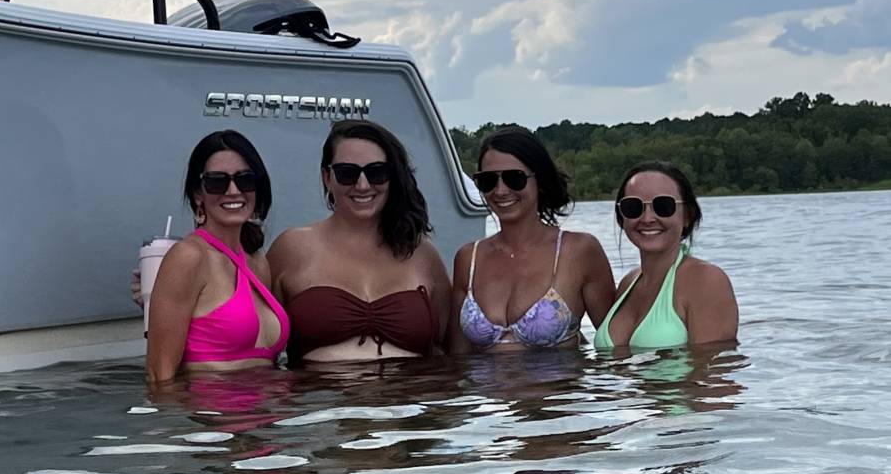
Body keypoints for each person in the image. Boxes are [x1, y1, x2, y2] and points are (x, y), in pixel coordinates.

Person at [268, 119, 450, 364]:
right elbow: (259, 347)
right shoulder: (291, 248)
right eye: (347, 173)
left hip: (410, 396)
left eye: (376, 172)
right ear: (326, 177)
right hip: (319, 398)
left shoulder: (423, 255)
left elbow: (449, 349)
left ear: (392, 177)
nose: (362, 185)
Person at [447, 126, 615, 353]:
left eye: (514, 179)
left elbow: (614, 348)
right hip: (484, 388)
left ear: (540, 179)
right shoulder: (469, 259)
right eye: (488, 181)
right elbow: (458, 358)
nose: (500, 190)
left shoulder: (578, 251)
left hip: (559, 388)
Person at [145, 130, 289, 384]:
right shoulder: (188, 258)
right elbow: (160, 376)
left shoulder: (257, 261)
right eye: (217, 182)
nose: (233, 191)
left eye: (245, 180)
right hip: (214, 419)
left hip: (268, 415)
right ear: (198, 193)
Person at [597, 161, 738, 350]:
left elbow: (713, 371)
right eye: (633, 207)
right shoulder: (627, 285)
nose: (647, 218)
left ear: (688, 215)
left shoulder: (706, 281)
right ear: (622, 217)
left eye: (663, 206)